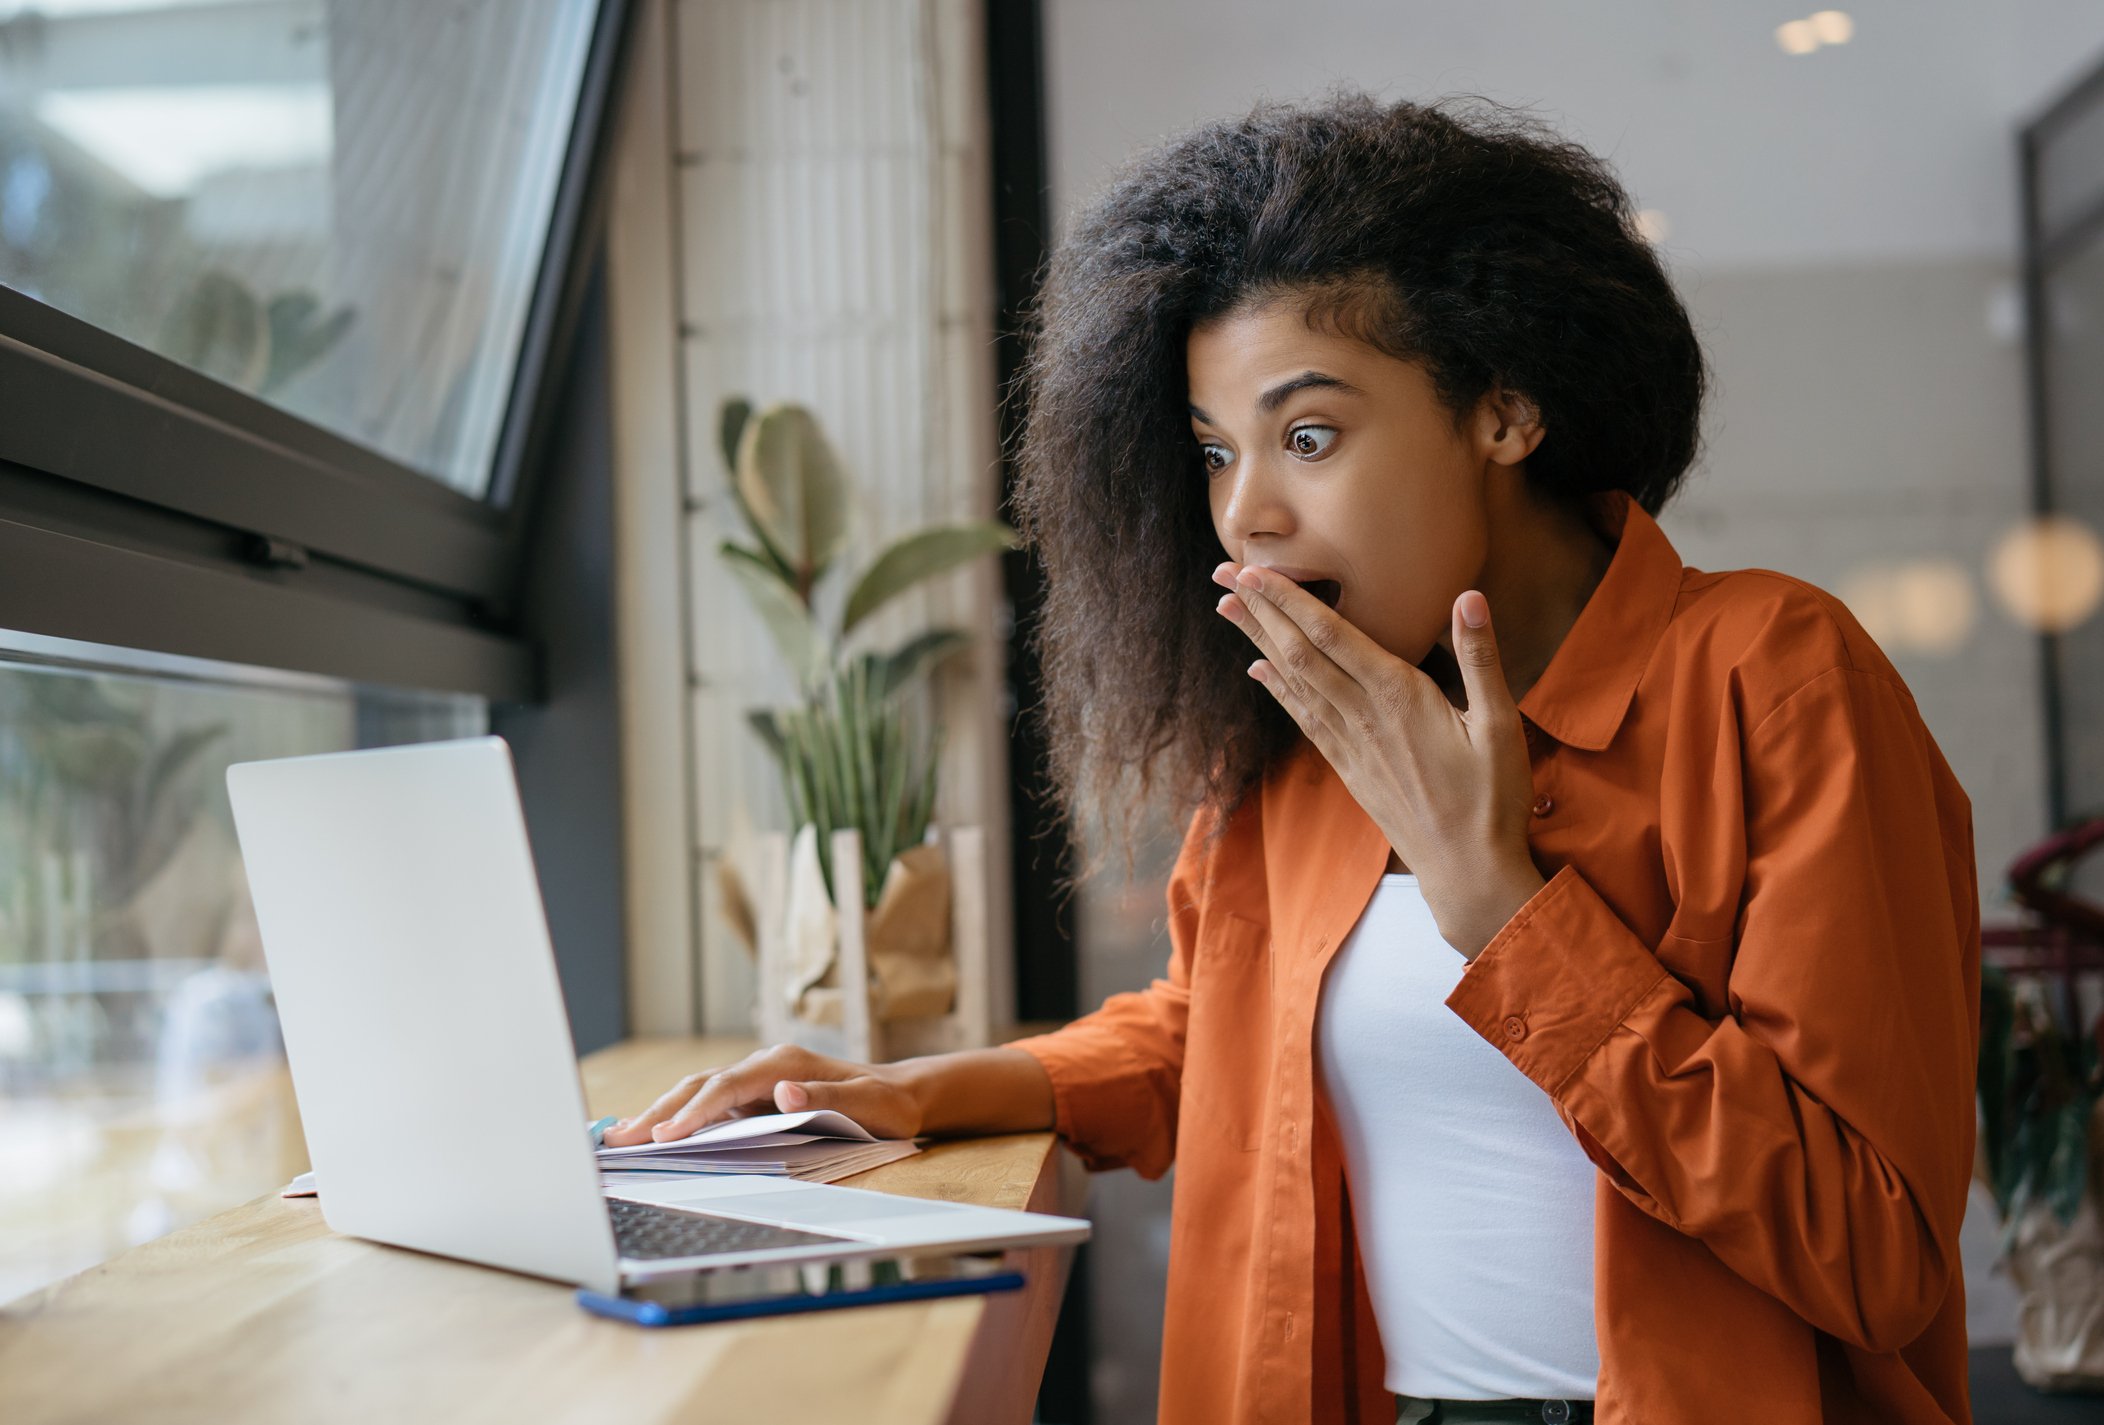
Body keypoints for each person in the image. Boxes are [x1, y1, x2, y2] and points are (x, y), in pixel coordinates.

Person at [606, 89, 1981, 1425]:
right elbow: (1215, 1025)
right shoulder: (1315, 719)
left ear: (1506, 409)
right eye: (1215, 452)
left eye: (1307, 435)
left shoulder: (1776, 675)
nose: (1245, 514)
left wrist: (1506, 911)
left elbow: (1873, 1250)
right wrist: (901, 1089)